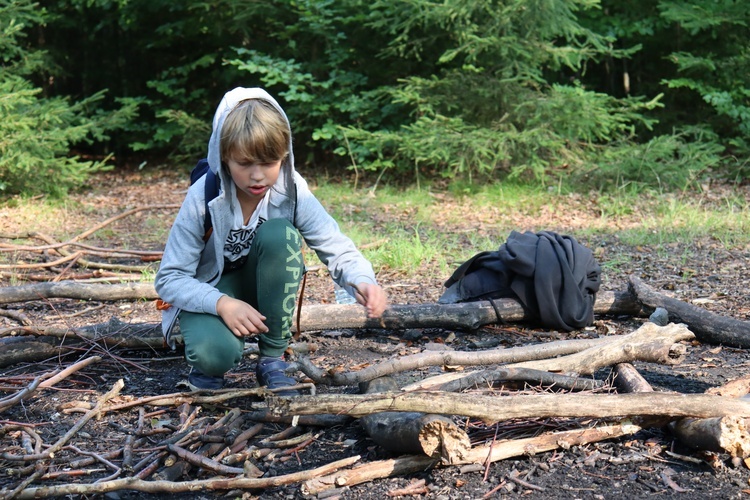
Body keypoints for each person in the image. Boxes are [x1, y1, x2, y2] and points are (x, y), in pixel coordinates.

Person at [155, 87, 388, 393]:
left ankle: (273, 357)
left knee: (281, 235)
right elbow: (170, 278)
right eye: (244, 163)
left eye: (268, 163)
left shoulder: (290, 190)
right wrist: (222, 304)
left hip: (265, 283)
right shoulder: (204, 195)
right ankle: (210, 364)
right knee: (214, 355)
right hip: (212, 290)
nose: (257, 176)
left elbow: (334, 243)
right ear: (224, 157)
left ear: (283, 156)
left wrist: (362, 280)